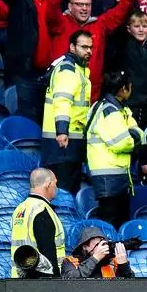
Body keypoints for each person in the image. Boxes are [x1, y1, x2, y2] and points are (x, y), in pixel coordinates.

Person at [85, 69, 143, 228]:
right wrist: (133, 135)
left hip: (115, 176)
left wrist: (133, 134)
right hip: (108, 177)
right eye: (130, 87)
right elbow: (122, 143)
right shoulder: (109, 110)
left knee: (119, 223)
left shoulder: (119, 109)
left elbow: (139, 133)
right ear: (124, 89)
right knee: (111, 225)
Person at [40, 30, 95, 194]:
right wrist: (62, 131)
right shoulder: (68, 70)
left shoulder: (78, 70)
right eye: (84, 47)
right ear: (72, 47)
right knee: (63, 192)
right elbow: (62, 101)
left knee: (68, 189)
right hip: (62, 143)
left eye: (90, 47)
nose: (88, 51)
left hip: (72, 140)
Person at [10, 168, 64, 279]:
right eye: (55, 184)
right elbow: (47, 250)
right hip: (41, 282)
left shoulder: (19, 209)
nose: (56, 188)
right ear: (48, 185)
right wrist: (56, 282)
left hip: (18, 279)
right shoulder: (42, 210)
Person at [60, 226, 134, 279]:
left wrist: (124, 265)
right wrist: (95, 258)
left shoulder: (113, 261)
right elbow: (69, 282)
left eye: (104, 244)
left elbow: (130, 288)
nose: (102, 248)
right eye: (97, 245)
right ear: (85, 246)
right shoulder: (70, 261)